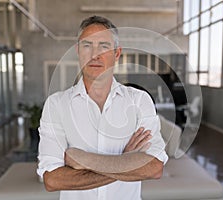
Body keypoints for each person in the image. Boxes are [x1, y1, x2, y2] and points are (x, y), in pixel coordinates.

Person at [37, 15, 168, 200]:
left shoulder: (139, 101)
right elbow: (53, 180)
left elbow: (154, 167)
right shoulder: (56, 105)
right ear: (78, 51)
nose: (94, 54)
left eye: (104, 46)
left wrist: (86, 161)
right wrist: (126, 160)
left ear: (116, 53)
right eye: (87, 45)